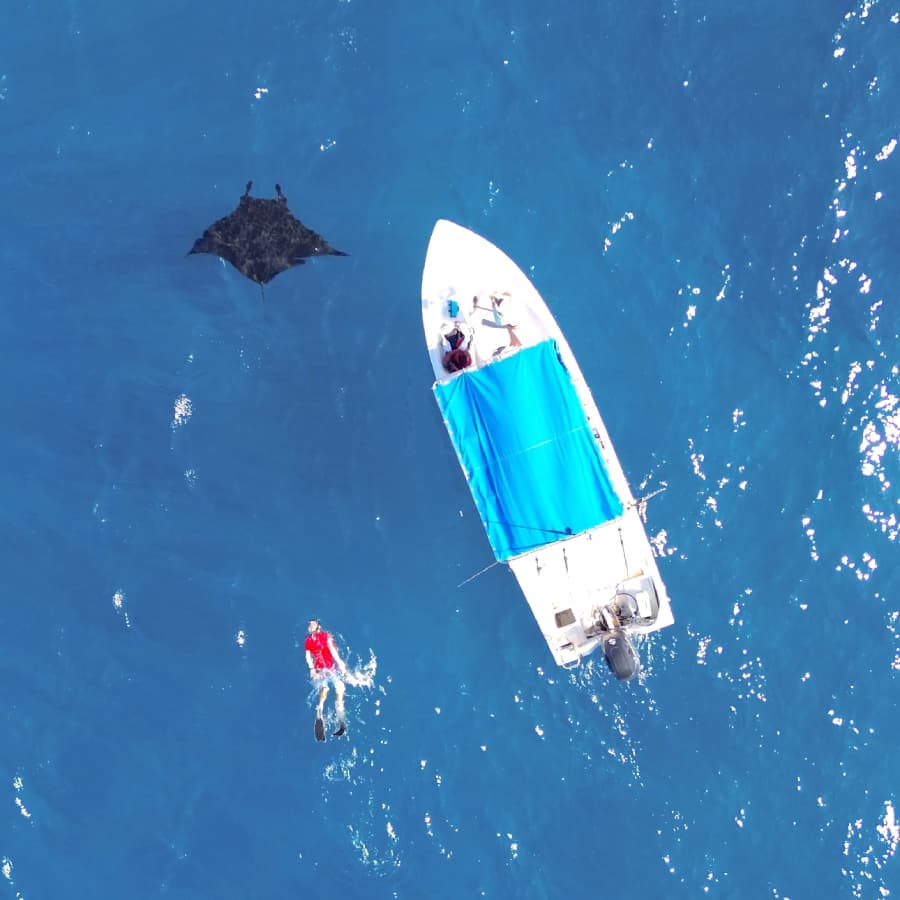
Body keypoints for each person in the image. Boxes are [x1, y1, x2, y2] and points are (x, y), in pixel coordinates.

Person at [305, 619, 348, 738]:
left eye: (312, 624)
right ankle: (323, 713)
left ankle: (335, 715)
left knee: (334, 688)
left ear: (318, 626)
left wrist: (340, 662)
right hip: (323, 671)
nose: (310, 626)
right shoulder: (308, 641)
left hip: (329, 669)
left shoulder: (324, 636)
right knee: (328, 689)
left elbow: (332, 650)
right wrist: (312, 669)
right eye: (309, 624)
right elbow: (308, 656)